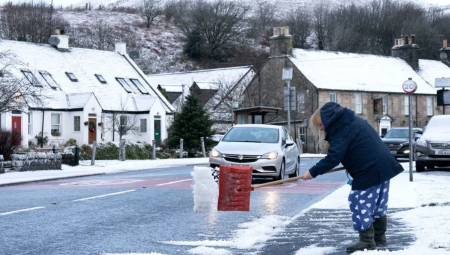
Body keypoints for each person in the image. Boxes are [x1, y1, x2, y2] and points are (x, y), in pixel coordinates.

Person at [302, 102, 404, 252]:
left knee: (358, 201)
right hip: (384, 165)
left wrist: (312, 172)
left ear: (330, 120)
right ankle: (378, 237)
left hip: (370, 169)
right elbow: (359, 146)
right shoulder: (353, 122)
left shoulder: (340, 130)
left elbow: (333, 158)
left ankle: (367, 240)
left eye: (321, 124)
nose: (321, 128)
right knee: (378, 203)